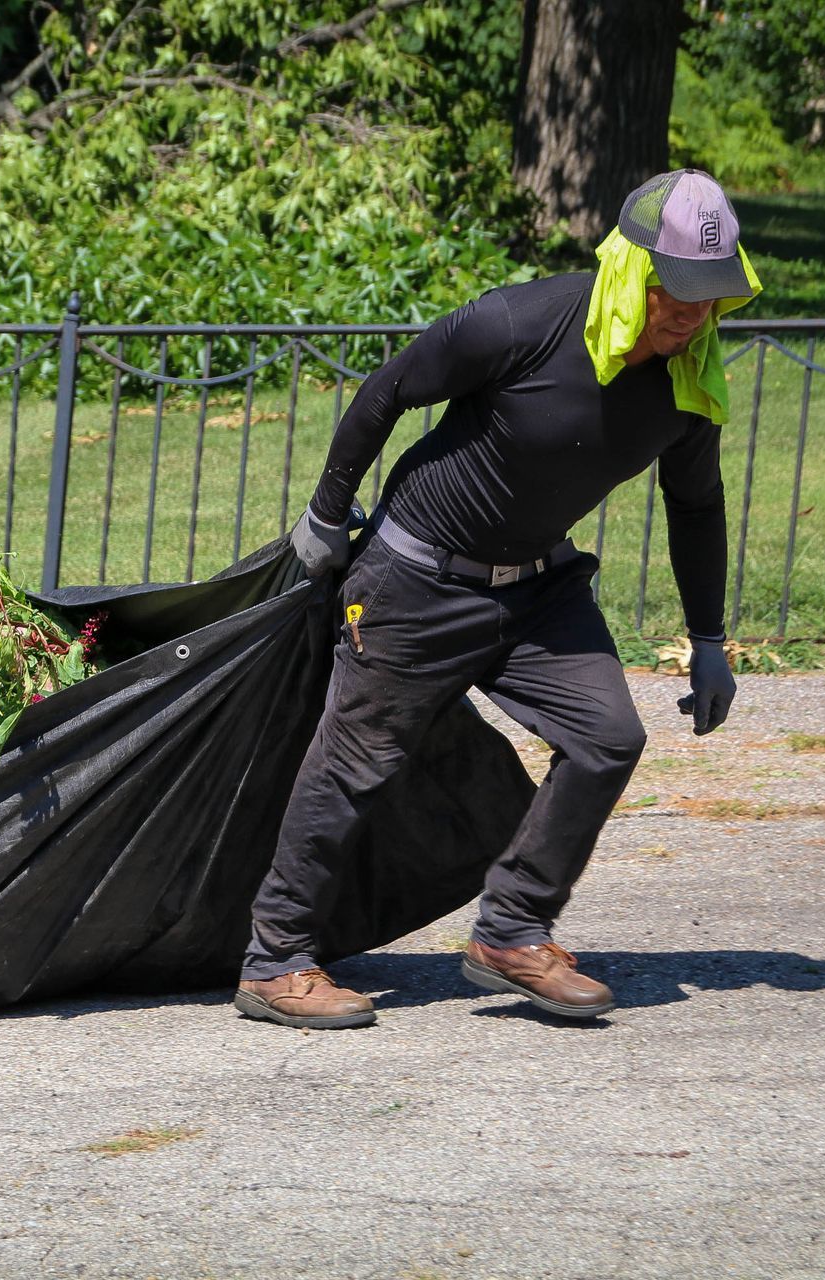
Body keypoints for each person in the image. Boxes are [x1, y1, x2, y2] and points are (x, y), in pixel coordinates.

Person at [234, 169, 760, 1030]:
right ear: (631, 270)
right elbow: (389, 389)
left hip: (538, 590)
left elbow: (696, 503)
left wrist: (709, 638)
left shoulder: (687, 383)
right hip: (414, 580)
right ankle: (274, 959)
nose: (691, 315)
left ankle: (512, 931)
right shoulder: (523, 321)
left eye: (709, 298)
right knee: (356, 764)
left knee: (608, 737)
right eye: (675, 293)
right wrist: (327, 512)